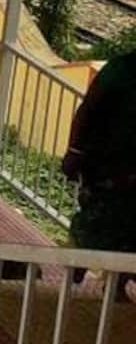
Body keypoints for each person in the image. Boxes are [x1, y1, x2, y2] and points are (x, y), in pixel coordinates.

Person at [64, 49, 136, 295]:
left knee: (129, 228)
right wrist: (74, 151)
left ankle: (117, 284)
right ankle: (80, 254)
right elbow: (88, 109)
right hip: (105, 163)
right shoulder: (121, 69)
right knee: (99, 217)